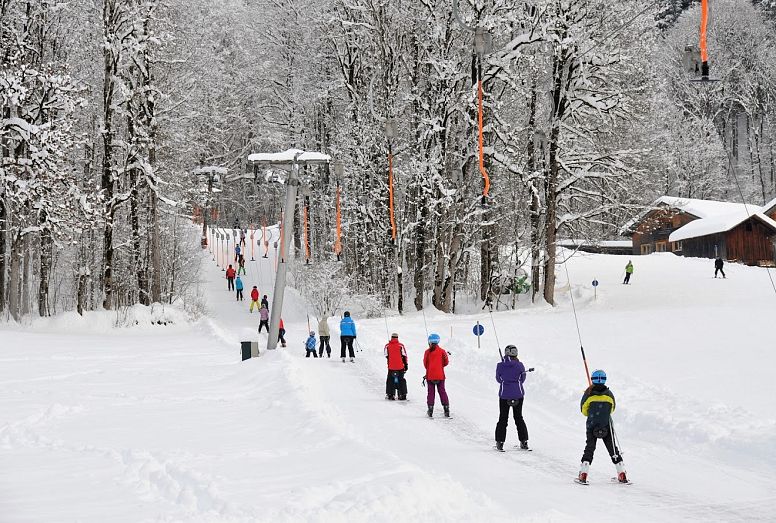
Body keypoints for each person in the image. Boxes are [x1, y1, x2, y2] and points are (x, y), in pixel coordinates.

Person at [578, 370, 627, 484]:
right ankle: (621, 472)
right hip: (606, 425)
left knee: (590, 448)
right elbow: (612, 408)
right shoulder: (609, 394)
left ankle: (584, 473)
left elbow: (584, 411)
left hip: (592, 425)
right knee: (612, 448)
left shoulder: (589, 393)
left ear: (592, 379)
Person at [494, 345, 529, 451]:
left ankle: (500, 442)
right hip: (518, 394)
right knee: (519, 418)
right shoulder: (520, 365)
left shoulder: (500, 365)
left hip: (504, 395)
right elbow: (522, 378)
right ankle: (524, 441)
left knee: (503, 418)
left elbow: (498, 379)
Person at [423, 333, 450, 417]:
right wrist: (439, 366)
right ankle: (446, 410)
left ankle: (430, 410)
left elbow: (425, 364)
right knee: (442, 392)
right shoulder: (442, 351)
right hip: (440, 376)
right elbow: (446, 362)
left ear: (429, 342)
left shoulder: (427, 352)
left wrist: (431, 368)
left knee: (431, 393)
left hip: (430, 376)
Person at [384, 333, 408, 400]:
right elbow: (404, 356)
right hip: (400, 366)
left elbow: (385, 355)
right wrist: (406, 365)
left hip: (391, 367)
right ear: (397, 338)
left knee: (390, 380)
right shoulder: (401, 345)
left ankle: (390, 394)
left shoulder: (387, 345)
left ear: (391, 337)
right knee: (401, 379)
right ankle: (403, 394)